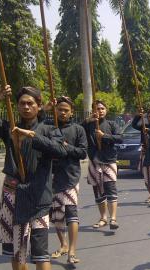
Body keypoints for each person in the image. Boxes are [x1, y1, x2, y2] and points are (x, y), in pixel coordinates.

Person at [0, 85, 68, 270]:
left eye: (30, 103)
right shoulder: (9, 127)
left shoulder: (50, 129)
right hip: (13, 197)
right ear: (17, 106)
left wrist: (30, 137)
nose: (26, 107)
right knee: (16, 253)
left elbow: (60, 151)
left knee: (41, 254)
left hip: (38, 198)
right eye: (22, 103)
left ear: (39, 106)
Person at [47, 96, 87, 265]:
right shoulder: (48, 127)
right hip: (50, 178)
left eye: (66, 110)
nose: (62, 112)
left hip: (70, 177)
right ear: (55, 110)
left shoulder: (78, 130)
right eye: (59, 109)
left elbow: (83, 153)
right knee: (56, 216)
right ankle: (63, 244)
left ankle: (72, 251)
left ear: (71, 113)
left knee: (71, 213)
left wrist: (66, 146)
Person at [82, 100, 123, 230]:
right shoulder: (88, 125)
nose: (99, 111)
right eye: (96, 109)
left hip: (109, 161)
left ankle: (113, 219)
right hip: (94, 161)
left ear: (106, 110)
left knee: (111, 190)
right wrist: (88, 120)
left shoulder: (112, 124)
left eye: (102, 108)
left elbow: (120, 138)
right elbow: (77, 130)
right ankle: (103, 218)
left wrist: (104, 136)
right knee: (98, 192)